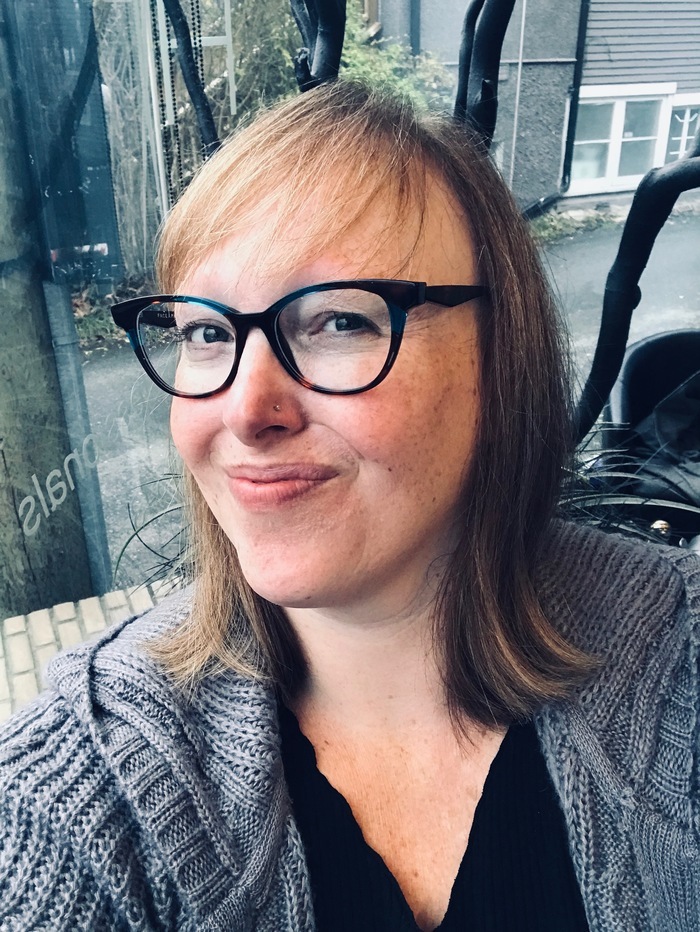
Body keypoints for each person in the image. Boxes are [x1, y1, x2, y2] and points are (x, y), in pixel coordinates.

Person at [1, 79, 698, 932]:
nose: (246, 411)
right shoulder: (90, 780)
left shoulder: (683, 660)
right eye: (206, 333)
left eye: (338, 321)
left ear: (500, 355)